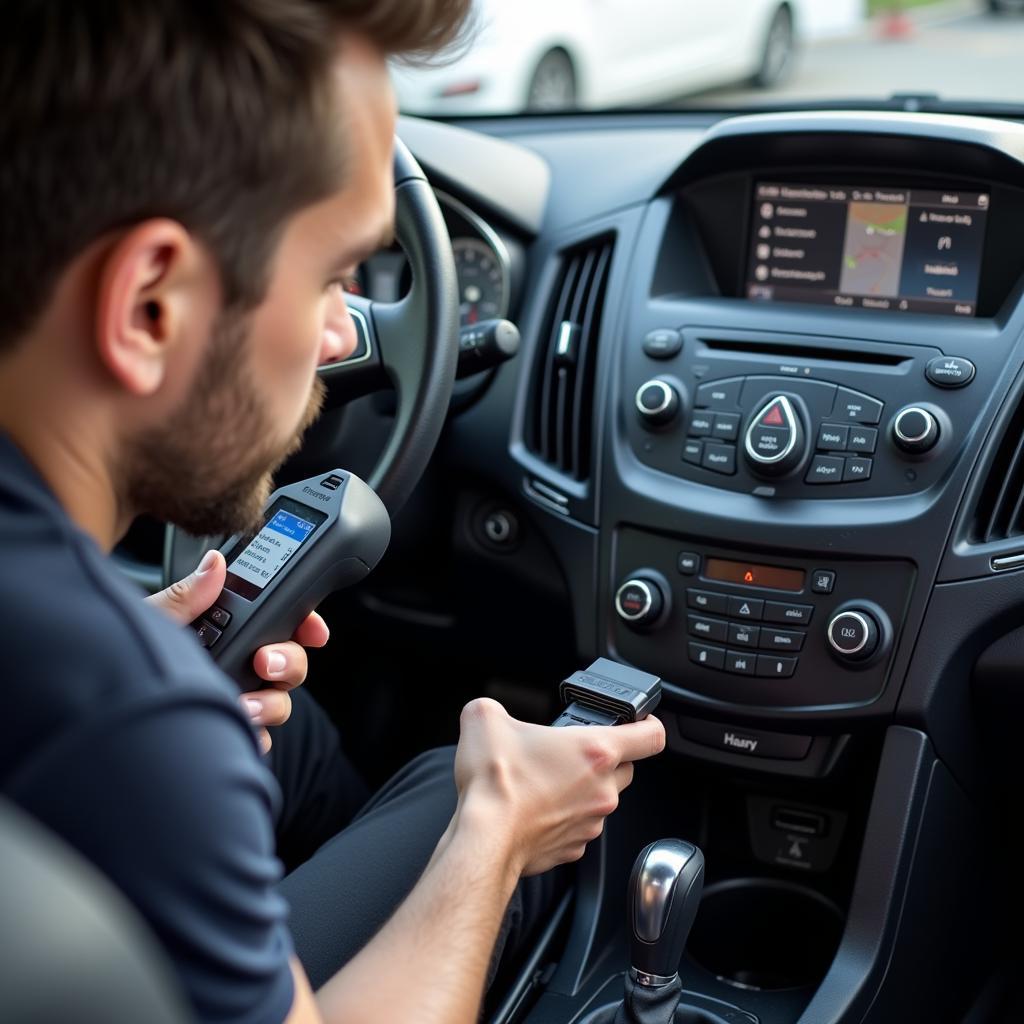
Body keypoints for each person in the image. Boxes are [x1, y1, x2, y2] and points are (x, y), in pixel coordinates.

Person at [0, 3, 667, 1022]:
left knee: (294, 729)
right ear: (149, 307)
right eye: (328, 277)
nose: (341, 334)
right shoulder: (132, 734)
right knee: (461, 787)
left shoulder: (90, 671)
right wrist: (495, 839)